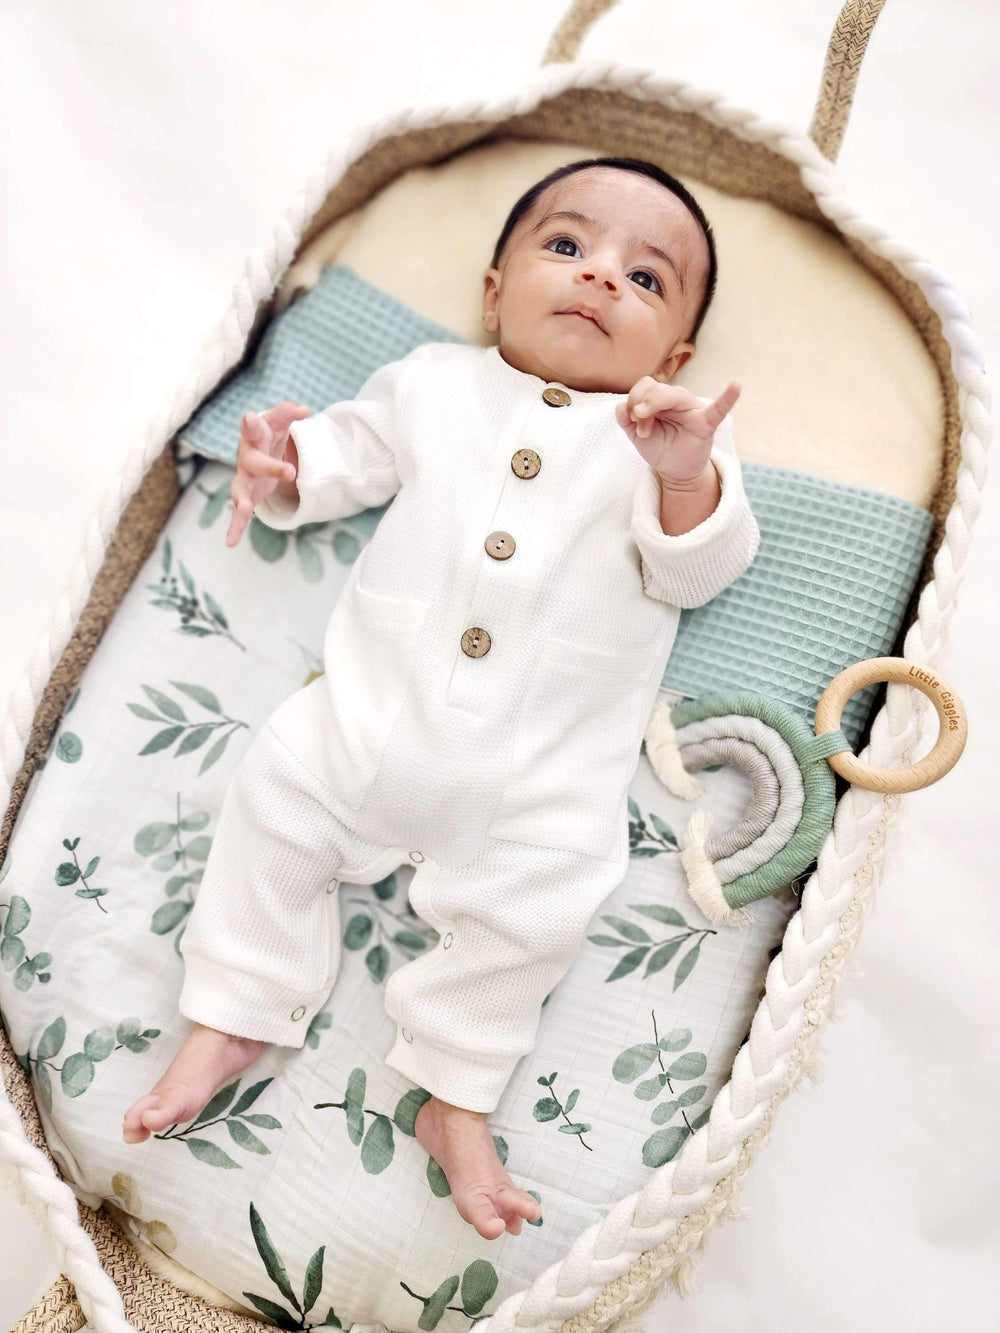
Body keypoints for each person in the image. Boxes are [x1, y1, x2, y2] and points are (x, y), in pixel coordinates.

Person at [122, 155, 760, 1241]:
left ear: (679, 356)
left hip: (537, 784)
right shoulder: (431, 383)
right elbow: (346, 459)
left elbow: (698, 570)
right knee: (273, 800)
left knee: (537, 910)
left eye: (646, 280)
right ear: (494, 288)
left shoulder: (667, 444)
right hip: (366, 728)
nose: (602, 278)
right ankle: (233, 1009)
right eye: (567, 247)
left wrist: (688, 473)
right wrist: (284, 470)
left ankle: (454, 1093)